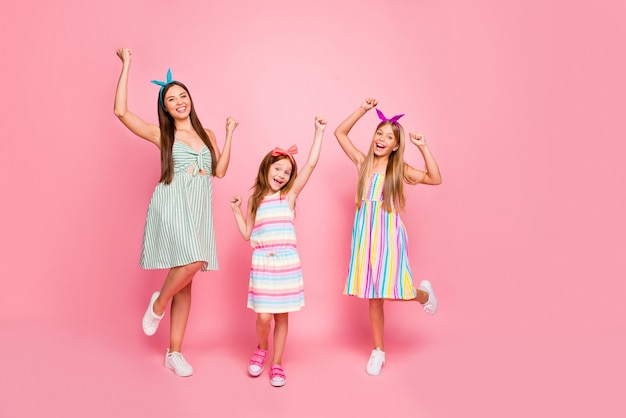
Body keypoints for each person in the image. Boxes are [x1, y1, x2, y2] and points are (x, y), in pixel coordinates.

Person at [113, 47, 238, 377]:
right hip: (171, 201)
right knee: (196, 260)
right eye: (171, 99)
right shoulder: (163, 134)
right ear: (165, 108)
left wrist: (228, 135)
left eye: (183, 95)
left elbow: (220, 172)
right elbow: (122, 112)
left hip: (199, 205)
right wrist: (127, 65)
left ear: (190, 99)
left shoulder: (207, 133)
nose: (179, 101)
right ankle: (158, 302)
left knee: (187, 283)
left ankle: (174, 352)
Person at [334, 97, 442, 376]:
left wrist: (424, 147)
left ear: (396, 146)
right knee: (374, 295)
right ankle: (378, 350)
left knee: (394, 289)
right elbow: (339, 133)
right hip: (364, 235)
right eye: (379, 133)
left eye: (388, 136)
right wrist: (362, 109)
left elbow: (434, 178)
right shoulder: (363, 163)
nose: (381, 139)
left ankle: (421, 294)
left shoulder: (399, 170)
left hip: (389, 234)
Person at [230, 116, 326, 387]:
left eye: (287, 172)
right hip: (262, 263)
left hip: (286, 263)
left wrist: (318, 132)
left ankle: (277, 362)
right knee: (263, 317)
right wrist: (236, 210)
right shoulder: (255, 199)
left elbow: (311, 164)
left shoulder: (289, 197)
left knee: (282, 315)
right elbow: (247, 233)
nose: (282, 175)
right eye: (278, 168)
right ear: (267, 168)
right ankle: (261, 347)